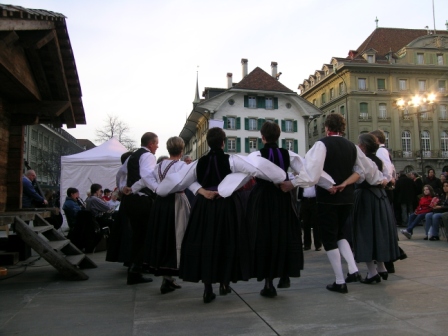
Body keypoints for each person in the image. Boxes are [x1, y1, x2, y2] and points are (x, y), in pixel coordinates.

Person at [280, 113, 385, 294]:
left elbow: (312, 173)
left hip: (328, 197)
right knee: (340, 234)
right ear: (342, 128)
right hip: (347, 198)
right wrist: (375, 180)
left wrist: (293, 183)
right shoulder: (352, 147)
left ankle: (339, 280)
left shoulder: (321, 145)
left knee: (329, 238)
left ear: (327, 128)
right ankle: (352, 270)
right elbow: (364, 170)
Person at [179, 127, 286, 303]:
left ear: (207, 142)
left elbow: (184, 182)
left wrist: (202, 191)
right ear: (223, 142)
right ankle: (224, 282)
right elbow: (253, 171)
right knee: (227, 242)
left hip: (205, 206)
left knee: (207, 243)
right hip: (226, 204)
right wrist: (231, 186)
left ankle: (207, 288)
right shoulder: (232, 160)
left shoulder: (198, 162)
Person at [246, 121, 308, 296]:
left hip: (263, 198)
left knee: (264, 236)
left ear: (262, 137)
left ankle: (268, 283)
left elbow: (247, 173)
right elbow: (307, 172)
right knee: (284, 234)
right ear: (279, 136)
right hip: (282, 196)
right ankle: (285, 274)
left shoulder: (257, 155)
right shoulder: (288, 154)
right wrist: (293, 183)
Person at [128, 136, 192, 294]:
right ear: (182, 149)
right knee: (178, 236)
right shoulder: (182, 165)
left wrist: (133, 189)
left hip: (161, 204)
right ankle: (173, 274)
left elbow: (145, 179)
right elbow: (191, 181)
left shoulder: (159, 166)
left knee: (163, 237)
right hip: (176, 201)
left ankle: (167, 279)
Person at [349, 134, 400, 284]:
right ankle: (382, 267)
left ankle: (372, 272)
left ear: (363, 146)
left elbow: (360, 177)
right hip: (380, 196)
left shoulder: (363, 159)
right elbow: (387, 176)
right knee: (378, 231)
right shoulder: (379, 159)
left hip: (366, 197)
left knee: (364, 233)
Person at [117, 132, 158, 285]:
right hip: (141, 199)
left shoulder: (131, 156)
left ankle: (133, 270)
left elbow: (120, 174)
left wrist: (123, 188)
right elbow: (146, 176)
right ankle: (135, 270)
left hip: (130, 201)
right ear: (150, 144)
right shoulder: (148, 156)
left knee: (136, 235)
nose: (157, 146)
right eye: (156, 143)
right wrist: (157, 188)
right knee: (144, 236)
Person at [299, 186, 321, 251]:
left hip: (314, 200)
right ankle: (307, 244)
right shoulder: (303, 177)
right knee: (306, 223)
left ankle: (318, 244)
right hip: (305, 200)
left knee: (316, 223)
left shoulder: (315, 179)